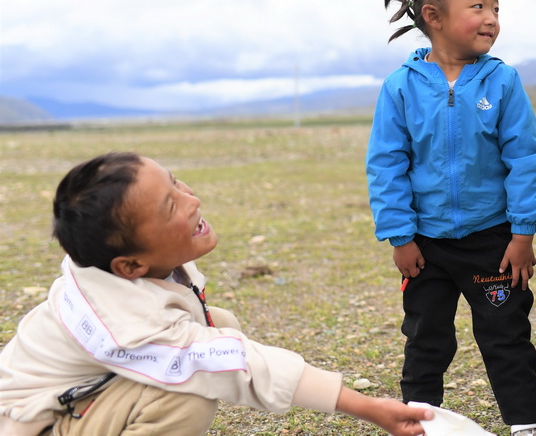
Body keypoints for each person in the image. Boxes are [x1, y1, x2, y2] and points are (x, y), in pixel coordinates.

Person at [0, 152, 432, 436]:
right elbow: (238, 365)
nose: (191, 200)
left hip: (76, 395)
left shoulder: (121, 267)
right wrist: (367, 407)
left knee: (218, 326)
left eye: (176, 184)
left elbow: (220, 345)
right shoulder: (126, 321)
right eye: (170, 207)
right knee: (185, 393)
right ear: (129, 265)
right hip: (34, 424)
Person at [366, 0, 536, 436]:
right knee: (425, 337)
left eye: (496, 7)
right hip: (425, 245)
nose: (491, 18)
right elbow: (386, 165)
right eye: (478, 6)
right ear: (434, 17)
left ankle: (526, 423)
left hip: (492, 240)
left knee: (506, 333)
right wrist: (400, 236)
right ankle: (416, 420)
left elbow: (525, 159)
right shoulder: (400, 88)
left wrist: (523, 232)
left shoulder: (503, 81)